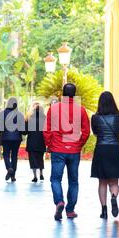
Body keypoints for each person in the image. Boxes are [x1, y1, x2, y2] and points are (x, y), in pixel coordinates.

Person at [44, 83, 90, 221]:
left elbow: (46, 130)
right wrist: (79, 144)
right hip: (74, 151)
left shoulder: (53, 108)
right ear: (74, 95)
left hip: (58, 149)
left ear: (62, 94)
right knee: (73, 181)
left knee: (55, 179)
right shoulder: (81, 110)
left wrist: (49, 145)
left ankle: (59, 202)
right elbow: (86, 131)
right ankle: (70, 210)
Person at [91, 92, 119, 219]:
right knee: (114, 181)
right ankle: (113, 197)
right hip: (114, 150)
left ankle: (104, 210)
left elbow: (95, 133)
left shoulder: (95, 117)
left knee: (102, 182)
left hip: (101, 149)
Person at [0, 97, 25, 182]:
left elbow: (0, 127)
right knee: (14, 156)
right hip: (17, 138)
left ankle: (9, 168)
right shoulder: (19, 114)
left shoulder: (3, 113)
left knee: (6, 154)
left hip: (6, 137)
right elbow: (22, 128)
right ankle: (13, 176)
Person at [23, 103, 46, 183]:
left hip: (32, 142)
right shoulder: (45, 119)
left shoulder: (30, 119)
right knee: (40, 158)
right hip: (41, 142)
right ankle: (41, 174)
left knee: (33, 159)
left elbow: (25, 132)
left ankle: (35, 176)